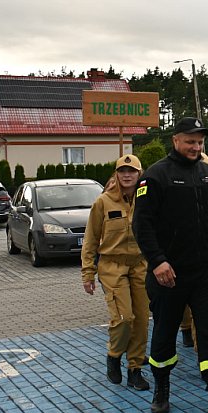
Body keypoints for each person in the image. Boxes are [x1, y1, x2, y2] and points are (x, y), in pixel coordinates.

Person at [132, 117, 208, 413]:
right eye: (190, 141)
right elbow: (142, 225)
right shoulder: (155, 176)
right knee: (165, 333)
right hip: (168, 274)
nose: (195, 147)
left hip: (205, 272)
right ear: (175, 141)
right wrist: (157, 261)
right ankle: (161, 390)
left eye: (199, 142)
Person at [81, 154, 150, 391]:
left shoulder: (147, 200)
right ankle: (114, 354)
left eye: (132, 171)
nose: (127, 175)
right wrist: (88, 273)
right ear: (117, 174)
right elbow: (90, 239)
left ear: (139, 174)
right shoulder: (103, 201)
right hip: (112, 266)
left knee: (141, 320)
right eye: (122, 171)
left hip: (140, 265)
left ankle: (135, 369)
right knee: (124, 318)